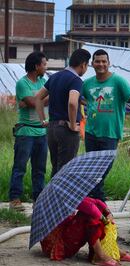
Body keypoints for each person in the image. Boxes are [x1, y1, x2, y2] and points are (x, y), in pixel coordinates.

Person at [82, 49, 130, 201]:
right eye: (97, 61)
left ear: (109, 63)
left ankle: (96, 198)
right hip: (91, 132)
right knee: (92, 168)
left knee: (104, 168)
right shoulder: (87, 84)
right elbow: (81, 98)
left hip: (111, 133)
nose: (101, 64)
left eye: (103, 61)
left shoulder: (118, 81)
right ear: (92, 64)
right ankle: (96, 200)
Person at [35, 48, 91, 177]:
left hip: (52, 128)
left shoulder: (54, 77)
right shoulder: (76, 80)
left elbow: (38, 97)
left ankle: (53, 197)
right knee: (66, 170)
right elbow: (72, 102)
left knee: (56, 168)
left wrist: (43, 120)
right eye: (87, 65)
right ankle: (62, 198)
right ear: (83, 64)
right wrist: (72, 124)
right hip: (66, 129)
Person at [40, 197, 130, 266]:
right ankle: (100, 255)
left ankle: (109, 251)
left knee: (93, 214)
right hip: (58, 243)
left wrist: (108, 213)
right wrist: (105, 220)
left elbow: (96, 202)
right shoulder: (64, 196)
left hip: (66, 233)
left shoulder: (71, 193)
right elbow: (89, 207)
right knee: (88, 217)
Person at [9, 52, 48, 211]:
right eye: (44, 64)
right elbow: (32, 103)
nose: (46, 67)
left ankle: (38, 200)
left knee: (39, 169)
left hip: (41, 133)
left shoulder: (43, 82)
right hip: (25, 132)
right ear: (36, 66)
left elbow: (37, 101)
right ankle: (14, 199)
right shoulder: (22, 83)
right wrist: (41, 100)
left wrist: (39, 101)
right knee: (20, 167)